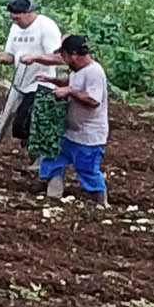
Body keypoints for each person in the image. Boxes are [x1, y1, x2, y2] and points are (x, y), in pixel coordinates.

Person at [0, 0, 63, 174]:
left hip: (40, 83)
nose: (15, 22)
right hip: (19, 82)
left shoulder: (46, 26)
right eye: (13, 19)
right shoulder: (15, 28)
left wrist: (36, 58)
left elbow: (59, 58)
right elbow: (11, 56)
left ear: (29, 12)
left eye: (18, 18)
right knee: (4, 118)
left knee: (25, 122)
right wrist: (0, 57)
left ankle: (36, 157)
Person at [40, 35, 109, 204]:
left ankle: (100, 200)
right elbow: (72, 82)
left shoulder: (94, 72)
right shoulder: (77, 70)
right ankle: (54, 190)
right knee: (53, 156)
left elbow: (93, 100)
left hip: (88, 135)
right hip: (71, 131)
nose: (63, 60)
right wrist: (53, 81)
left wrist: (70, 92)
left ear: (74, 55)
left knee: (87, 169)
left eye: (64, 55)